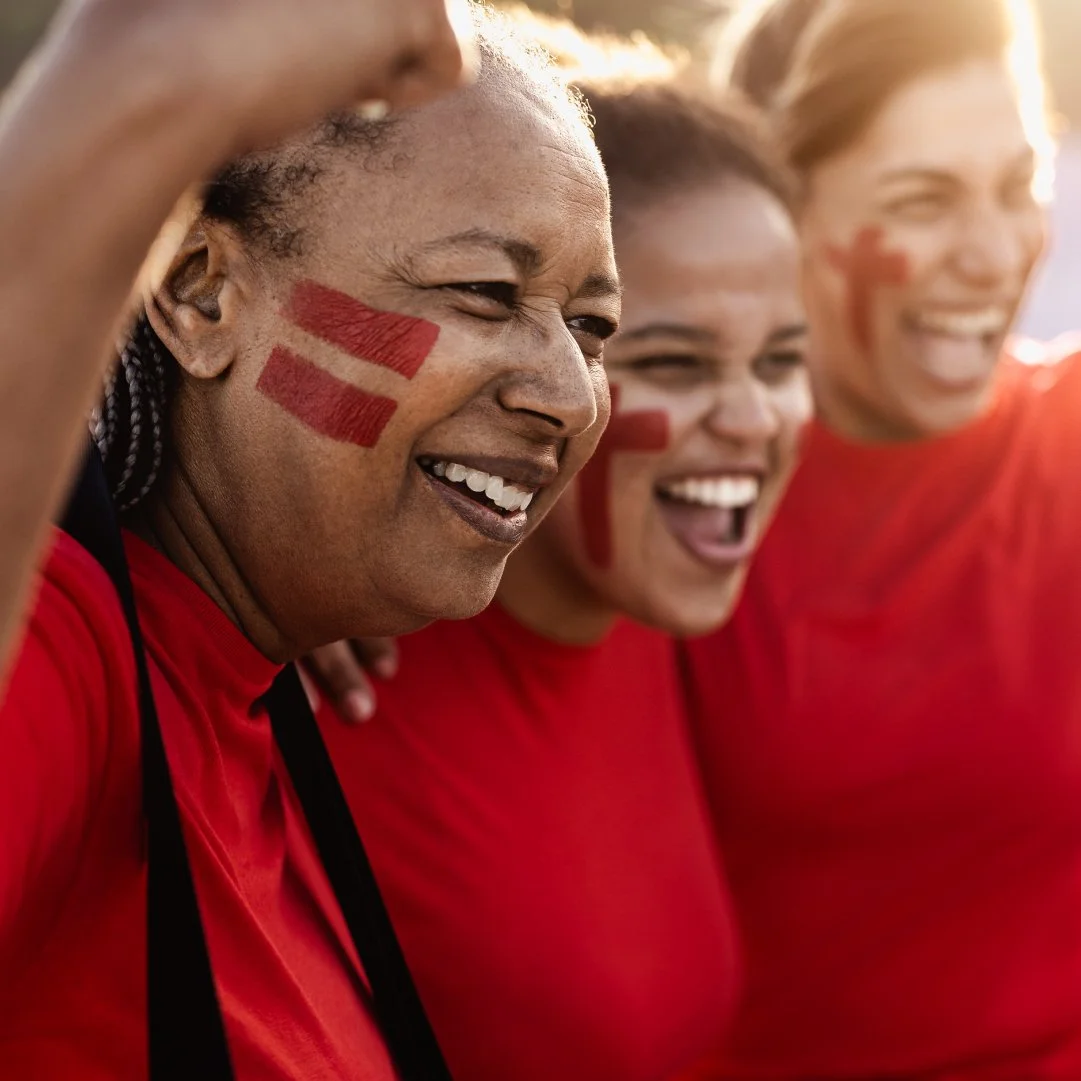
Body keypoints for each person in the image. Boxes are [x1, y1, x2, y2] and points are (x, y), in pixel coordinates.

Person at [0, 0, 621, 1076]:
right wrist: (122, 87)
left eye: (591, 325)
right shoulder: (66, 652)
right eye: (485, 291)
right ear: (199, 293)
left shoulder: (266, 677)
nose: (568, 393)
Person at [317, 59, 813, 1081]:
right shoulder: (326, 666)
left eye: (780, 361)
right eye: (671, 362)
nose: (754, 420)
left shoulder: (666, 598)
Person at [681, 0, 1081, 1077]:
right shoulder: (663, 484)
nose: (997, 253)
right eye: (922, 202)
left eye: (1018, 186)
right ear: (779, 215)